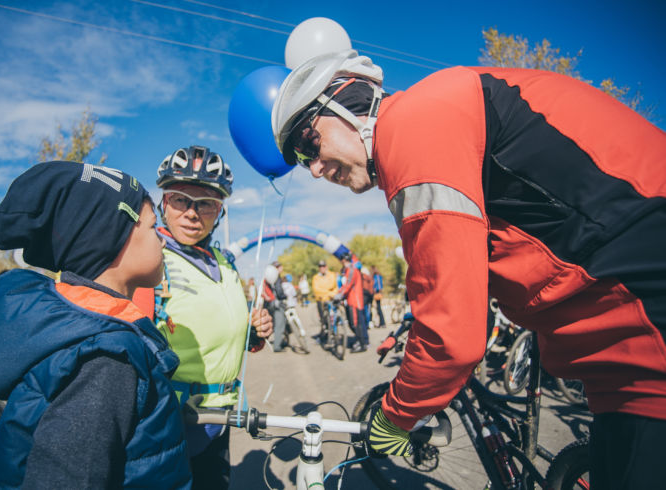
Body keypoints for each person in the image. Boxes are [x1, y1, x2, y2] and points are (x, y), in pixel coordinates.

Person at [271, 49, 666, 487]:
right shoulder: (433, 122)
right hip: (622, 349)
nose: (313, 169)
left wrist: (397, 415)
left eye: (309, 144)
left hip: (645, 324)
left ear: (347, 102)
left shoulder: (411, 126)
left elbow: (452, 335)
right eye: (300, 161)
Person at [0, 161, 191, 489]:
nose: (163, 240)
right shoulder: (105, 359)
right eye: (153, 227)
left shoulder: (88, 333)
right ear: (111, 238)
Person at [152, 145, 272, 489]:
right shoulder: (149, 258)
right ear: (163, 204)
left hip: (219, 418)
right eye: (180, 199)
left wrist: (253, 332)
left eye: (205, 203)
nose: (192, 213)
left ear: (219, 212)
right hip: (173, 421)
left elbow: (222, 325)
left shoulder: (223, 262)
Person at [335, 252, 367, 353]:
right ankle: (359, 340)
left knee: (356, 323)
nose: (343, 263)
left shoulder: (352, 270)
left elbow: (348, 285)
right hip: (351, 300)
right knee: (352, 323)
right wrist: (339, 293)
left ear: (346, 260)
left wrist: (339, 295)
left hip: (355, 301)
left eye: (343, 261)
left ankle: (362, 344)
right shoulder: (349, 270)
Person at [311, 259, 337, 335]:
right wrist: (328, 291)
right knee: (323, 318)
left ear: (326, 267)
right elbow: (316, 289)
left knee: (333, 316)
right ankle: (324, 329)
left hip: (331, 298)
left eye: (323, 266)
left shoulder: (331, 275)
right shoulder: (316, 277)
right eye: (320, 266)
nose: (322, 268)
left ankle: (334, 331)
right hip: (321, 299)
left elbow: (334, 285)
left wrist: (325, 291)